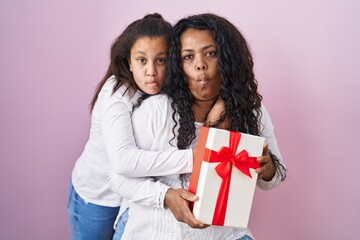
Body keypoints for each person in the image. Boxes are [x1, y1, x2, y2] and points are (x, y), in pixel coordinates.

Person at [108, 13, 287, 240]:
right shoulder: (157, 110)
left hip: (223, 235)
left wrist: (268, 169)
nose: (200, 65)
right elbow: (116, 178)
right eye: (188, 57)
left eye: (210, 54)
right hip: (156, 231)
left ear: (228, 59)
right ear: (178, 65)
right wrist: (166, 196)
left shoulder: (251, 111)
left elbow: (275, 179)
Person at [67, 13, 196, 240]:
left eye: (161, 60)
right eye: (142, 60)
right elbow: (123, 160)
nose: (151, 72)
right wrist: (195, 159)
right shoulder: (116, 92)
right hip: (99, 198)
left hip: (135, 197)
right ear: (129, 61)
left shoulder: (170, 89)